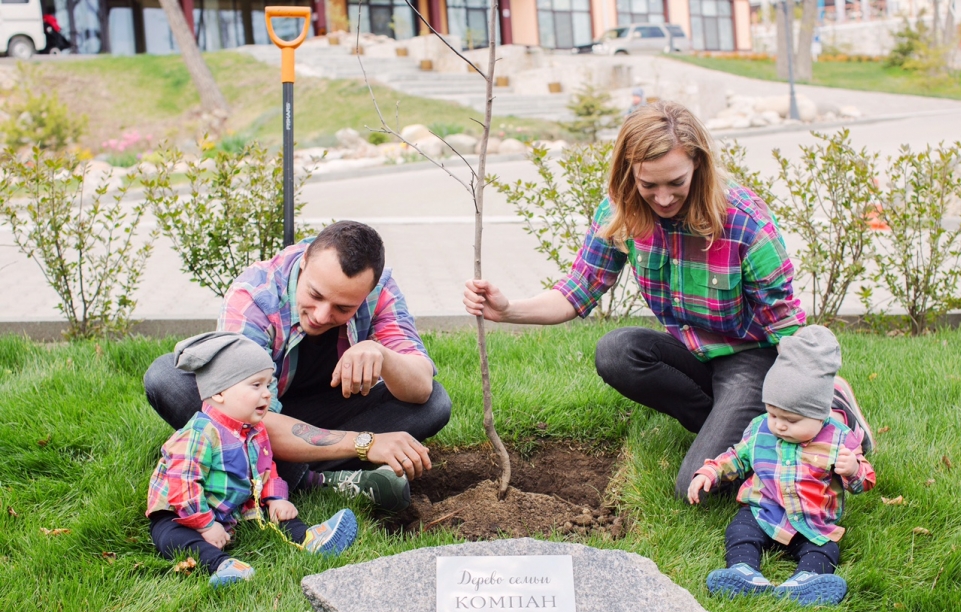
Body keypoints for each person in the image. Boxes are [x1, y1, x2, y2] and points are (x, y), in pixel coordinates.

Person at [463, 101, 873, 499]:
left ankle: (831, 402)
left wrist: (811, 406)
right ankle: (736, 423)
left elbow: (786, 326)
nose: (662, 198)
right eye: (649, 185)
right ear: (629, 175)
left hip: (750, 356)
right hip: (691, 351)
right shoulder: (621, 211)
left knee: (697, 491)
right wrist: (509, 310)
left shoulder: (744, 221)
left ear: (699, 166)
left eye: (676, 183)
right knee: (616, 351)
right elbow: (578, 288)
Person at [145, 221, 452, 512]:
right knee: (168, 379)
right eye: (315, 295)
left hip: (327, 413)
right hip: (258, 412)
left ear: (366, 292)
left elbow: (421, 385)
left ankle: (261, 467)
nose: (321, 315)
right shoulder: (256, 295)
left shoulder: (379, 290)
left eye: (343, 308)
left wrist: (381, 353)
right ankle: (315, 481)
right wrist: (365, 443)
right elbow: (248, 416)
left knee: (433, 403)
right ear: (304, 261)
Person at [146, 332, 359, 587]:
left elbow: (266, 468)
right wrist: (205, 525)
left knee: (273, 511)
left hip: (227, 506)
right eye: (256, 385)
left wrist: (276, 498)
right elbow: (184, 485)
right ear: (220, 392)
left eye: (268, 385)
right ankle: (221, 565)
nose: (267, 394)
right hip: (181, 511)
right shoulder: (199, 434)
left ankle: (310, 538)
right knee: (169, 535)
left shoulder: (254, 430)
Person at [687, 326, 875, 606]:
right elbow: (737, 457)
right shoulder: (761, 428)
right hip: (765, 510)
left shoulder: (838, 439)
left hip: (812, 519)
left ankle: (808, 580)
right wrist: (711, 472)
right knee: (740, 531)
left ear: (820, 414)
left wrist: (852, 470)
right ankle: (743, 572)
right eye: (773, 414)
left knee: (824, 547)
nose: (780, 425)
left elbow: (865, 481)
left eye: (792, 420)